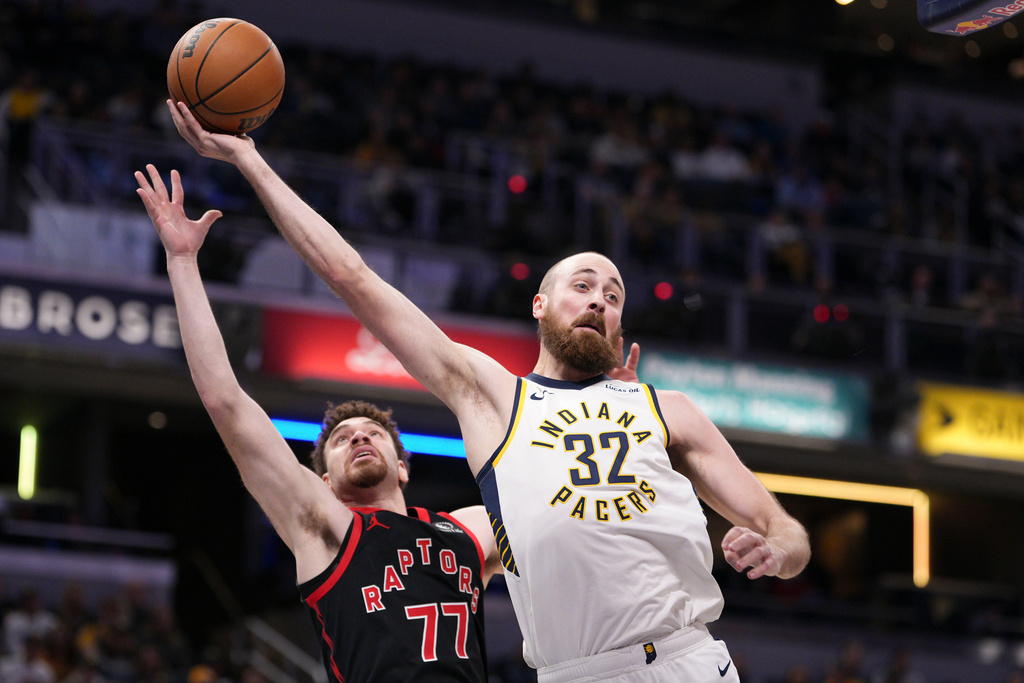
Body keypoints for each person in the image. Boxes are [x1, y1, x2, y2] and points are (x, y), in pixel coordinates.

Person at [159, 98, 811, 683]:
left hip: (685, 657)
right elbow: (350, 277)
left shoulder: (665, 409)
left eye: (613, 296)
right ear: (539, 305)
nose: (599, 300)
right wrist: (250, 162)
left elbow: (786, 531)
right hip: (573, 672)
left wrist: (778, 551)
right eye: (582, 285)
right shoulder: (492, 398)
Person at [134, 165, 502, 682]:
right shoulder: (325, 527)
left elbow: (561, 511)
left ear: (403, 467)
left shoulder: (467, 530)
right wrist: (181, 261)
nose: (359, 436)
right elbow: (226, 402)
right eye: (342, 439)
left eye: (373, 434)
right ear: (325, 481)